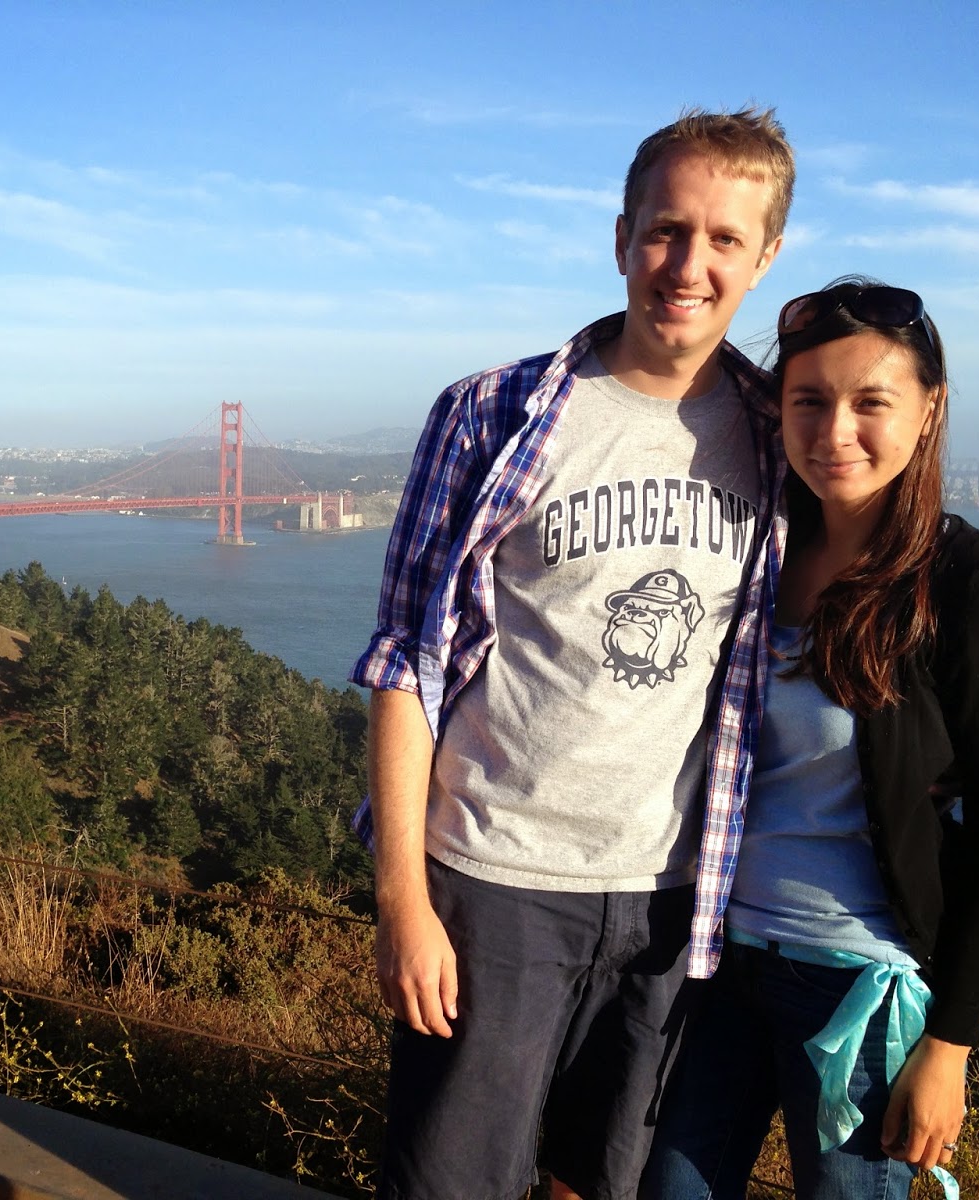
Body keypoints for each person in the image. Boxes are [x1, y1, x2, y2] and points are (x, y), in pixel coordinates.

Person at [350, 108, 795, 1200]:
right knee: (450, 1183)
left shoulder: (777, 429)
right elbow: (408, 662)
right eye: (665, 231)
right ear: (620, 234)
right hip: (493, 886)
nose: (687, 265)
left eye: (723, 240)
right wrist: (404, 904)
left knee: (600, 1183)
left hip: (670, 898)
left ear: (765, 257)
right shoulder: (488, 414)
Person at [642, 279, 979, 1199]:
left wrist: (949, 1044)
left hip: (858, 993)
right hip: (716, 968)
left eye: (872, 402)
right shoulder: (754, 555)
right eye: (809, 400)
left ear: (929, 409)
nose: (836, 431)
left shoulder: (978, 587)